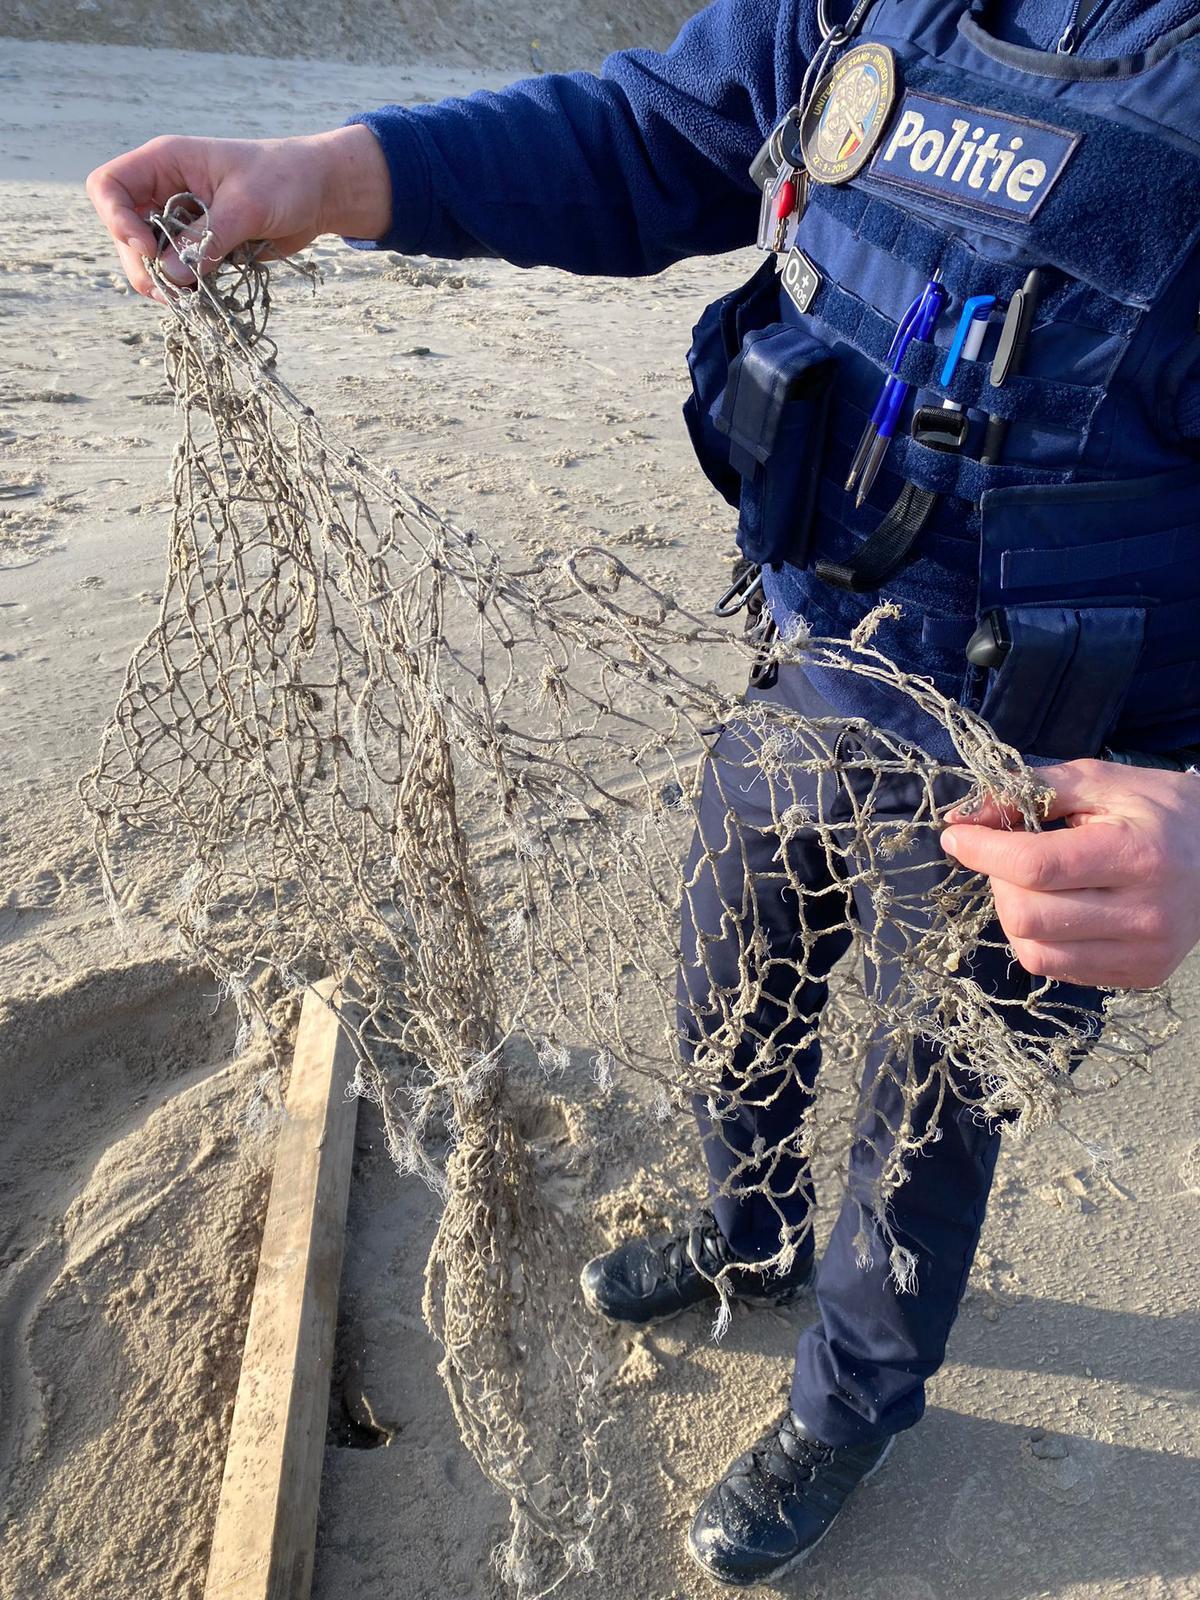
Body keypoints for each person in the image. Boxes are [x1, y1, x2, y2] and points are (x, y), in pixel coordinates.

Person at [88, 0, 1200, 1584]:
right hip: (814, 659)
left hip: (1037, 790)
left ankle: (855, 1399)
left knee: (923, 1118)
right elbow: (645, 135)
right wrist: (321, 173)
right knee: (727, 971)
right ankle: (746, 1233)